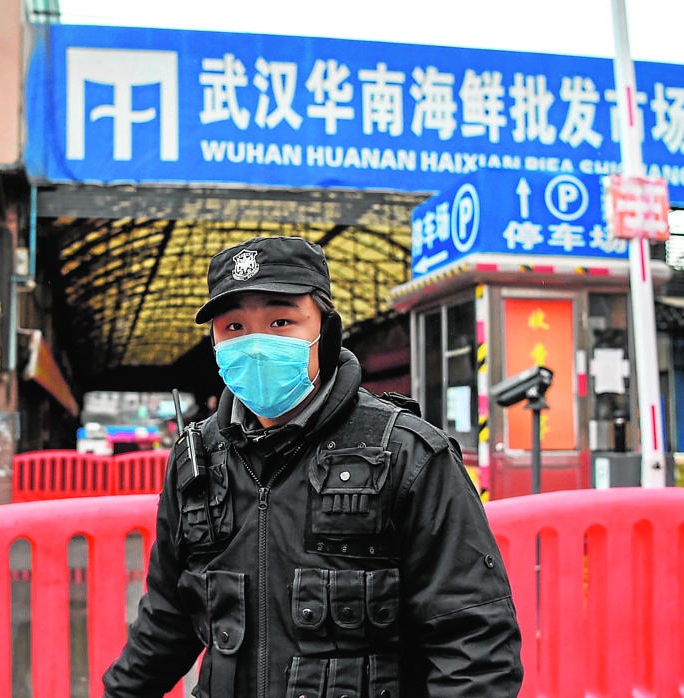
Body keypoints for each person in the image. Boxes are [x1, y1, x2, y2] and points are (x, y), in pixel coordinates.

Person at [102, 236, 523, 697]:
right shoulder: (196, 461)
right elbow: (167, 620)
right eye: (234, 327)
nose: (256, 345)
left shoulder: (408, 454)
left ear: (326, 330)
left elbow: (473, 644)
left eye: (281, 321)